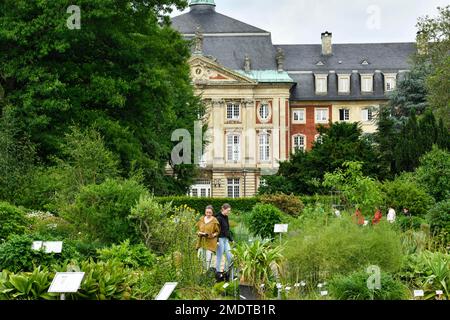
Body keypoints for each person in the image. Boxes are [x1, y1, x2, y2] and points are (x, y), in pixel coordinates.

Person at [196, 205, 220, 271]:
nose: (208, 214)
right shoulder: (201, 219)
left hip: (210, 243)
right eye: (207, 212)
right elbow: (197, 229)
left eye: (210, 212)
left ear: (212, 213)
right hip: (201, 242)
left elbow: (217, 232)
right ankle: (200, 275)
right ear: (205, 212)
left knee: (207, 261)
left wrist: (213, 235)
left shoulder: (214, 221)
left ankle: (206, 276)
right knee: (200, 259)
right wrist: (199, 233)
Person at [215, 203, 233, 274]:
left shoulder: (226, 217)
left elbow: (227, 229)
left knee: (229, 256)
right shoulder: (218, 218)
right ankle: (218, 272)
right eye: (228, 210)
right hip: (220, 240)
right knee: (219, 257)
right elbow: (216, 230)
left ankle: (226, 271)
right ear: (223, 209)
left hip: (226, 240)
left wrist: (231, 239)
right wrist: (217, 241)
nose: (229, 212)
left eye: (229, 211)